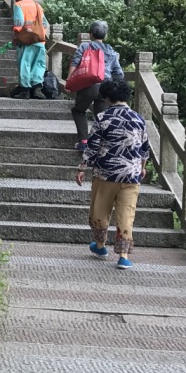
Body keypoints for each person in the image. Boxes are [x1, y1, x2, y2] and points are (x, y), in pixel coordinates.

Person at [75, 79, 149, 269]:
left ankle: (100, 246)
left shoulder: (102, 118)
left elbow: (92, 146)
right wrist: (142, 166)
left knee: (100, 209)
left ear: (106, 97)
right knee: (126, 213)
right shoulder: (138, 119)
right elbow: (144, 147)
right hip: (131, 175)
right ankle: (123, 256)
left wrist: (83, 167)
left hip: (106, 173)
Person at [68, 20, 124, 150]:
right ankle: (100, 143)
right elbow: (119, 73)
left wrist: (69, 81)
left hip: (88, 84)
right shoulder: (110, 50)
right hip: (105, 87)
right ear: (105, 35)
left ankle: (84, 141)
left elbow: (75, 63)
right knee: (101, 116)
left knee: (79, 111)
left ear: (90, 34)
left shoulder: (85, 47)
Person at [10, 0, 49, 98]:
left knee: (25, 64)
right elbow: (45, 24)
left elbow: (19, 23)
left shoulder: (19, 5)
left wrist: (17, 37)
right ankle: (37, 89)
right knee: (39, 64)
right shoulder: (38, 5)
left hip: (26, 40)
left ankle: (25, 90)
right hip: (40, 41)